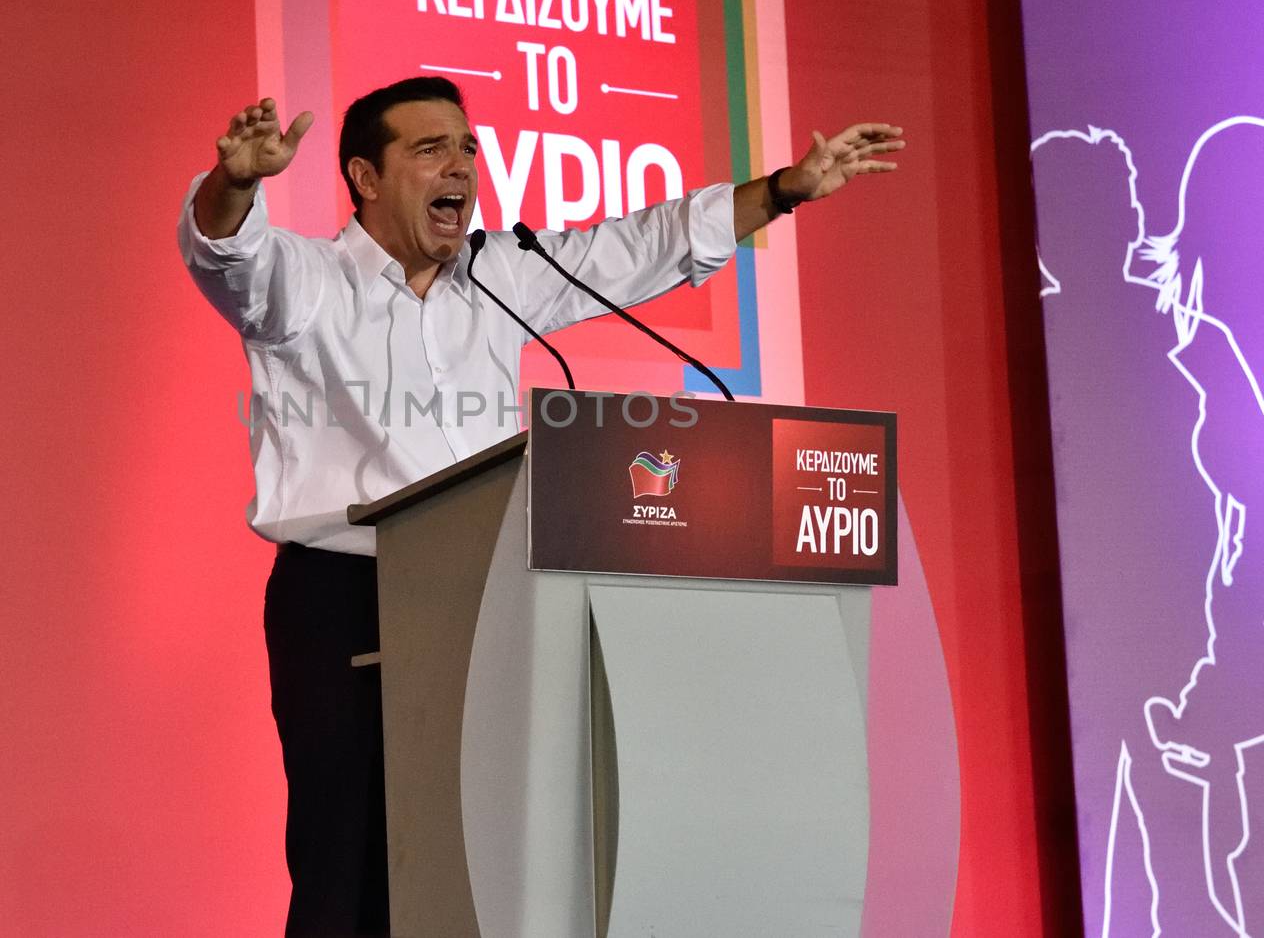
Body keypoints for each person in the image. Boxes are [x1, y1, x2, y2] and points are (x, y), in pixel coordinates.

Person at [179, 76, 902, 937]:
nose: (463, 166)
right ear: (366, 177)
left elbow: (638, 246)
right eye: (431, 149)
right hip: (344, 599)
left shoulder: (503, 273)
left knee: (481, 851)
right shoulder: (308, 281)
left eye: (469, 148)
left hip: (479, 599)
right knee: (349, 860)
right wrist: (234, 182)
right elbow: (228, 254)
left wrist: (782, 191)